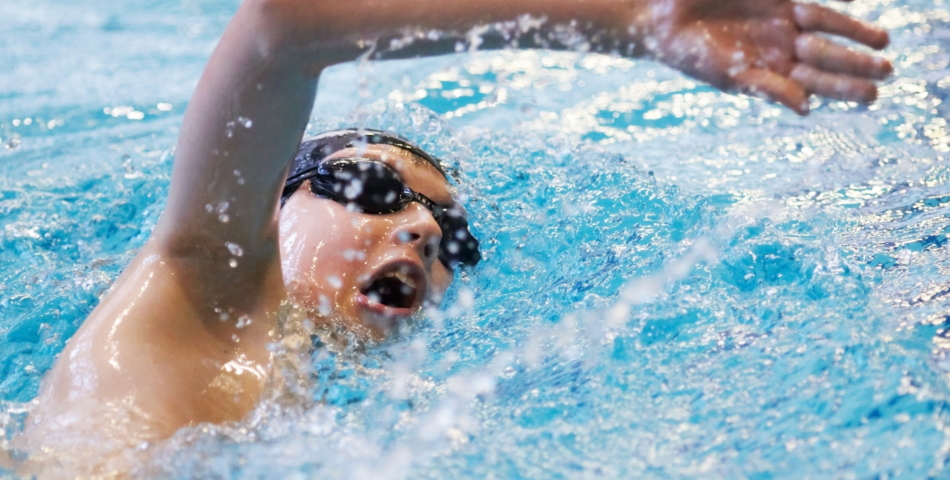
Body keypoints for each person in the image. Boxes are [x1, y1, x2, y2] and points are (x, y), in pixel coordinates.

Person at [14, 0, 892, 474]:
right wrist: (633, 25)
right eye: (373, 188)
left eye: (454, 238)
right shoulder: (201, 282)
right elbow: (278, 28)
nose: (425, 229)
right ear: (271, 201)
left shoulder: (317, 414)